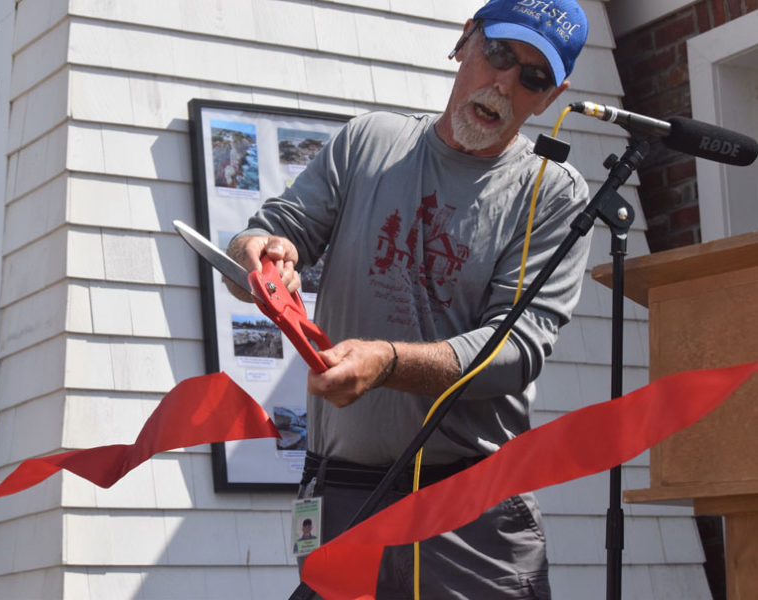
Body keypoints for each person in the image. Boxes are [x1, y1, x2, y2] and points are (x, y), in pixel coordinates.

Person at [227, 0, 591, 597]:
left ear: (550, 97)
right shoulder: (371, 140)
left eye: (532, 76)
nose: (504, 83)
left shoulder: (550, 193)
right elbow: (273, 228)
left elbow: (514, 350)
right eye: (499, 53)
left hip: (470, 508)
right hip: (340, 494)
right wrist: (261, 254)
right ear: (464, 41)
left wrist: (386, 364)